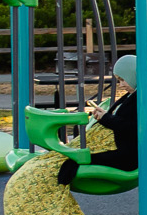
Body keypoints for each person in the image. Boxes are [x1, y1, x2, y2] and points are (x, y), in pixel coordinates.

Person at [58, 55, 139, 184]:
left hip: (127, 156)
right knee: (67, 161)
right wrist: (105, 116)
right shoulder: (136, 95)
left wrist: (106, 118)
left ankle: (56, 195)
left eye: (123, 80)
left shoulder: (140, 97)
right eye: (119, 80)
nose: (121, 85)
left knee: (69, 163)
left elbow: (133, 128)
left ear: (133, 75)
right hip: (125, 151)